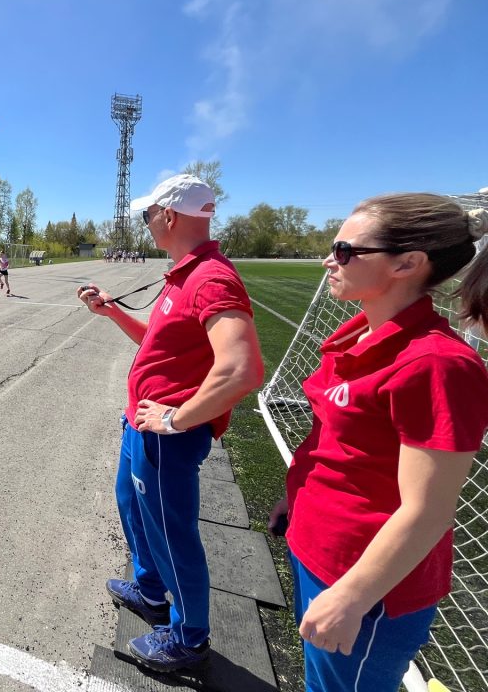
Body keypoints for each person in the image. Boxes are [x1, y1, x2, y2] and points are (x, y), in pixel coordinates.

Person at [267, 193, 488, 692]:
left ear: (407, 263)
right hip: (317, 547)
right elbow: (337, 444)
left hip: (366, 583)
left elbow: (428, 511)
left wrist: (352, 596)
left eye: (345, 251)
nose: (329, 259)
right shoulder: (358, 336)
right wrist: (295, 496)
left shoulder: (436, 364)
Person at [76, 174, 264, 673]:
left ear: (170, 216)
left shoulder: (210, 278)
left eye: (148, 215)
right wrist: (112, 311)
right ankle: (151, 591)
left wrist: (177, 418)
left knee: (171, 535)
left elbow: (242, 368)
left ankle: (188, 637)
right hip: (143, 424)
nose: (146, 223)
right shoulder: (184, 273)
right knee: (132, 509)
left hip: (167, 436)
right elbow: (159, 347)